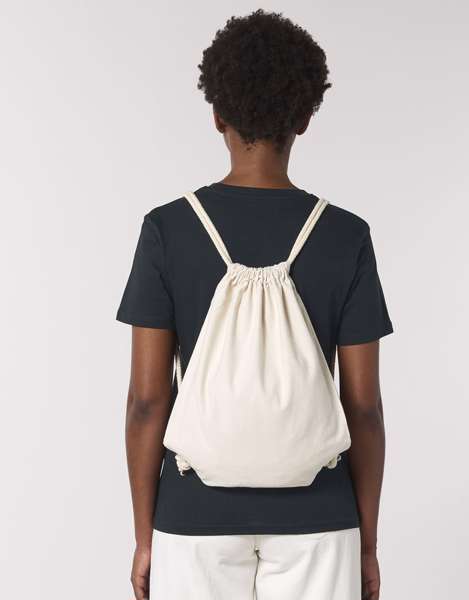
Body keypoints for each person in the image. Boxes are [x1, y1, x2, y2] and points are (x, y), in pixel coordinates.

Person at [117, 9, 393, 600]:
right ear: (305, 118)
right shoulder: (346, 236)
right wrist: (367, 545)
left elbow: (147, 401)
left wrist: (146, 537)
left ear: (217, 114)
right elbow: (363, 407)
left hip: (193, 516)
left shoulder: (167, 230)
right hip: (320, 517)